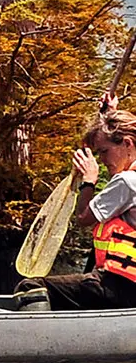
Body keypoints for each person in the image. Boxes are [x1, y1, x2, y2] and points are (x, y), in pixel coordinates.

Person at [15, 103, 136, 311]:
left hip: (122, 287)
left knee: (30, 287)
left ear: (127, 144)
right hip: (126, 286)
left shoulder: (127, 182)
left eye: (104, 152)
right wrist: (108, 113)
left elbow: (83, 217)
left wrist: (88, 181)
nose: (103, 160)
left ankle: (42, 343)